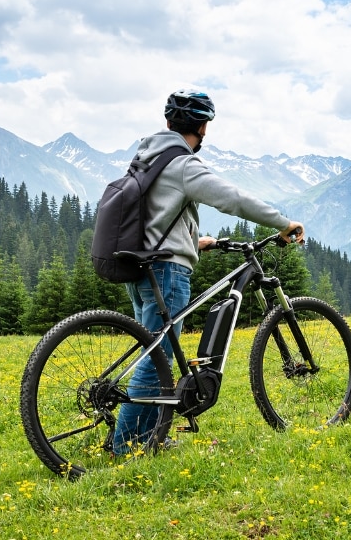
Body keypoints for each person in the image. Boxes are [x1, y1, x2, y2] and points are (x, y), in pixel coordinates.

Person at [112, 89, 303, 455]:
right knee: (157, 360)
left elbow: (156, 210)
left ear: (169, 123)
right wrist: (282, 222)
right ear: (201, 127)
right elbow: (231, 198)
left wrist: (194, 239)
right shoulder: (181, 163)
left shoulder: (148, 156)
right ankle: (127, 448)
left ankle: (151, 438)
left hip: (141, 268)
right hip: (166, 272)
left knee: (154, 354)